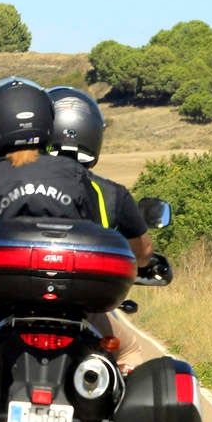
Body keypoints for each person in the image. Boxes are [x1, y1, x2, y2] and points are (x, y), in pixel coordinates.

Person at [0, 77, 104, 355]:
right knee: (126, 351)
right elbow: (92, 233)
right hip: (74, 303)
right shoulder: (74, 176)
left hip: (1, 307)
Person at [46, 85, 157, 371]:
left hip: (12, 304)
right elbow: (142, 253)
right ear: (93, 133)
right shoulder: (110, 194)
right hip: (85, 309)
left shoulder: (16, 184)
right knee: (130, 352)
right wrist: (142, 262)